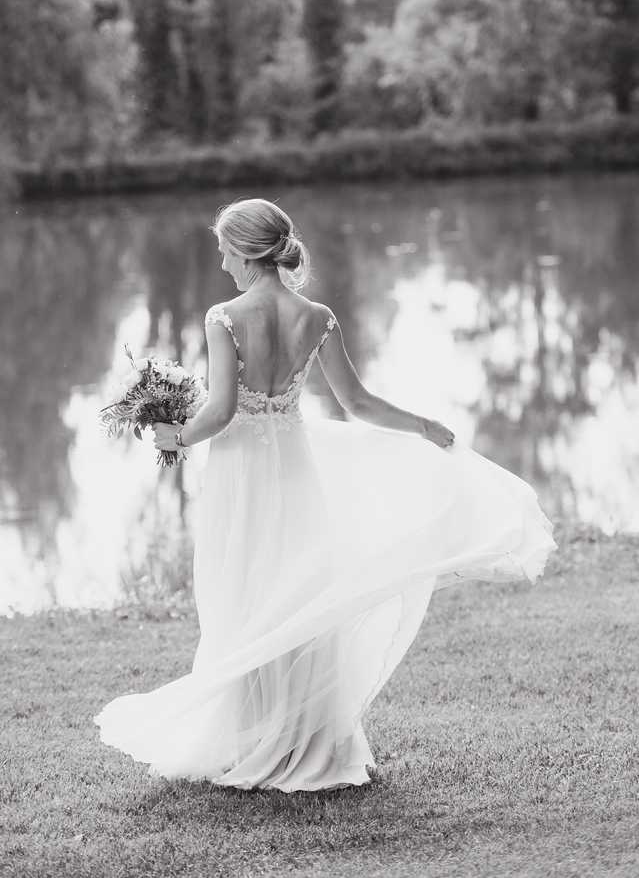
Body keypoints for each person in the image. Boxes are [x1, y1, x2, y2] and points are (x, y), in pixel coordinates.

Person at [93, 197, 557, 792]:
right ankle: (306, 737)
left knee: (244, 592)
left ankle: (253, 737)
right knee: (296, 592)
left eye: (224, 250)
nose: (222, 261)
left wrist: (175, 436)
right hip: (294, 468)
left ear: (246, 252)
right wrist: (421, 425)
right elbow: (357, 402)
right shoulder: (317, 316)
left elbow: (222, 410)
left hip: (242, 475)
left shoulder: (223, 317)